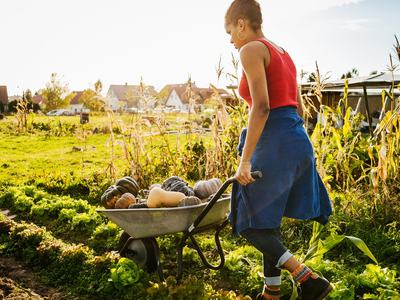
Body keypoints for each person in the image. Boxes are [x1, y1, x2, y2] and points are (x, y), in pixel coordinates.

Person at [224, 1, 333, 299]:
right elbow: (298, 106)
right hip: (296, 138)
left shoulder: (251, 49)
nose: (232, 41)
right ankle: (272, 292)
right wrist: (293, 142)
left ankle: (307, 278)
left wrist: (245, 161)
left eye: (230, 31)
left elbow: (261, 107)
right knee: (266, 220)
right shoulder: (283, 53)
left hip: (274, 141)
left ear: (242, 23)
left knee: (247, 221)